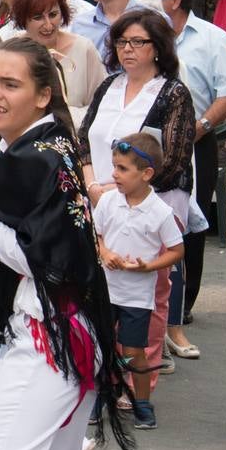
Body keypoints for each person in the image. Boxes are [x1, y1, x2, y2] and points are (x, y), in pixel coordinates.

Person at [0, 37, 132, 450]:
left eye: (10, 85)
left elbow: (41, 258)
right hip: (70, 329)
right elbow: (46, 235)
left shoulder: (31, 155)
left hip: (48, 337)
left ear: (43, 96)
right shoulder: (51, 142)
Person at [78, 9, 195, 380]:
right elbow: (83, 139)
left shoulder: (172, 93)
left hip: (153, 204)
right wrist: (95, 186)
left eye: (138, 42)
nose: (127, 49)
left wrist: (117, 189)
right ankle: (108, 375)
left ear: (158, 47)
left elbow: (174, 158)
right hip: (101, 200)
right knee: (105, 286)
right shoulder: (109, 85)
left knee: (150, 294)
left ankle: (142, 376)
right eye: (122, 41)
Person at [140, 0, 226, 324]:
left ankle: (183, 302)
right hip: (143, 143)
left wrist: (200, 126)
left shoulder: (211, 37)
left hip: (195, 140)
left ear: (174, 1)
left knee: (191, 218)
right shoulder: (138, 37)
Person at [89, 131, 185, 430]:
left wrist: (150, 266)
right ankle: (100, 397)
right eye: (114, 167)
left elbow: (177, 250)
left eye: (122, 169)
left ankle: (142, 402)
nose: (114, 174)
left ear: (146, 174)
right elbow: (95, 235)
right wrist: (104, 252)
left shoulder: (160, 212)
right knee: (101, 347)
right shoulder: (107, 202)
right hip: (106, 291)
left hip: (136, 297)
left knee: (133, 353)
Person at [11, 0, 106, 116]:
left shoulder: (84, 48)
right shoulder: (12, 52)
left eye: (53, 14)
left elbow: (102, 105)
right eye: (38, 17)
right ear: (23, 19)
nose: (48, 24)